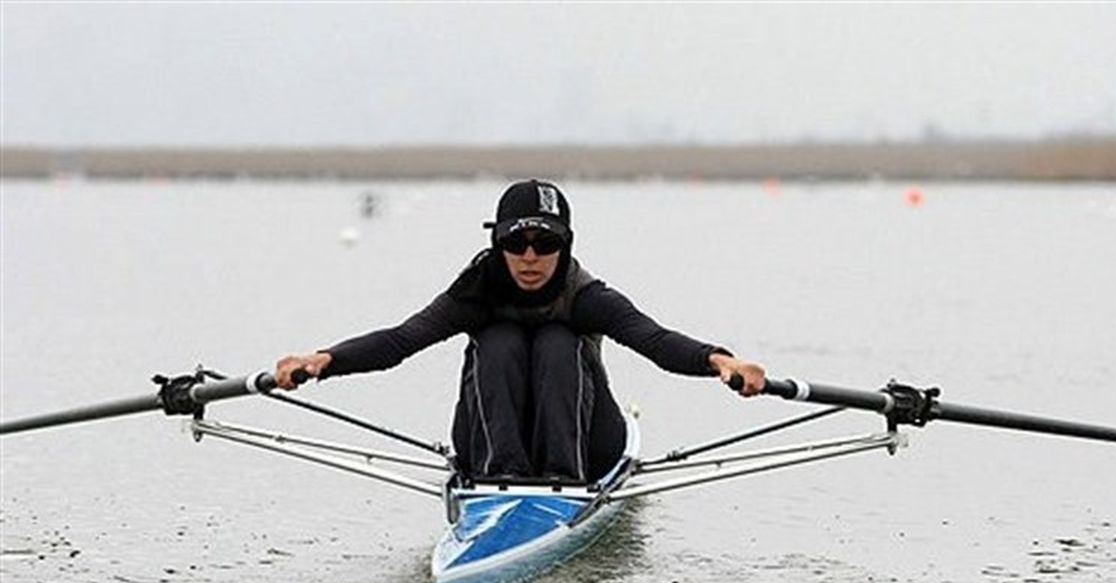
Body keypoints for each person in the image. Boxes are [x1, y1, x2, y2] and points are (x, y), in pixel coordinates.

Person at [274, 179, 766, 482]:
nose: (530, 256)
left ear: (565, 246)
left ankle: (560, 478)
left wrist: (723, 362)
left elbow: (656, 342)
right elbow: (401, 341)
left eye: (545, 242)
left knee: (558, 342)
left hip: (587, 451)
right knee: (498, 340)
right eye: (517, 241)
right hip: (489, 450)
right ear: (498, 242)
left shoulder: (586, 296)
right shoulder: (475, 292)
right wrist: (322, 361)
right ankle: (502, 476)